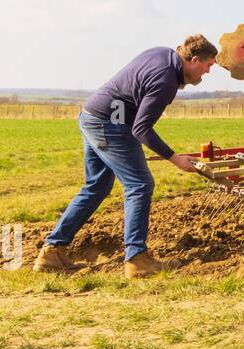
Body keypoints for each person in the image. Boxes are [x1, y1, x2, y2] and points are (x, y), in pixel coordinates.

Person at [33, 35, 218, 278]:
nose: (207, 72)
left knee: (96, 187)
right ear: (194, 60)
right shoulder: (165, 82)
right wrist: (174, 158)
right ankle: (137, 259)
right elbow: (141, 129)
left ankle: (52, 253)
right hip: (111, 125)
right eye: (208, 66)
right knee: (140, 185)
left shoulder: (161, 52)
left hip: (92, 116)